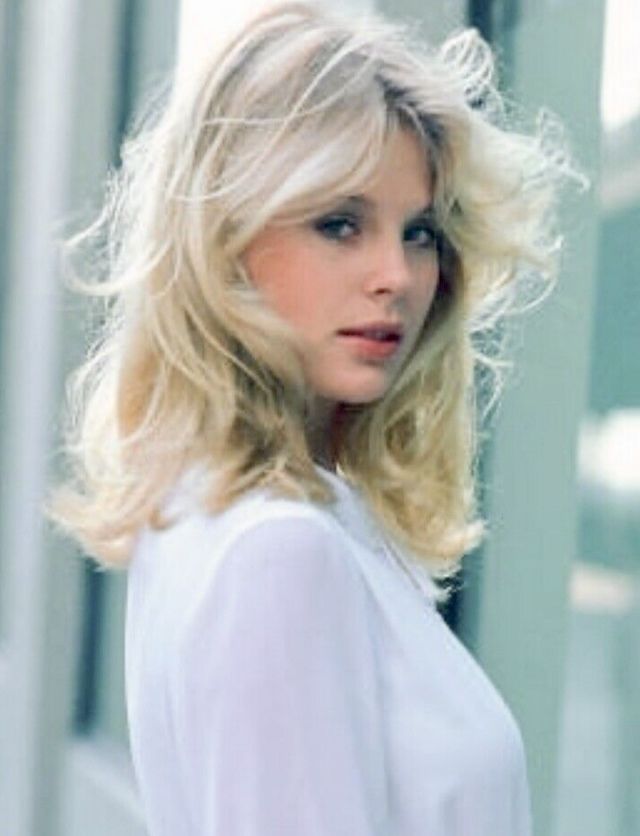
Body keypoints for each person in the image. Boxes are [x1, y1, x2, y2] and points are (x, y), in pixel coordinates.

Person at [48, 2, 575, 833]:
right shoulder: (279, 549)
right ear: (226, 241)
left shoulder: (208, 504)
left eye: (421, 232)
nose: (396, 275)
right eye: (340, 224)